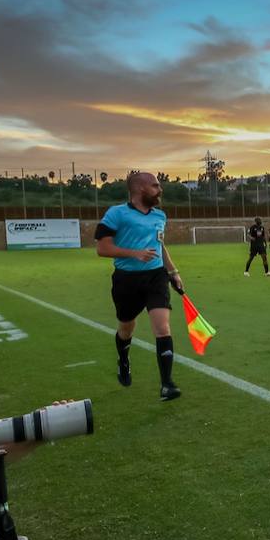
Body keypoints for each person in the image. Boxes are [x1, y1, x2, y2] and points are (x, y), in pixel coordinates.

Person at [94, 171, 184, 401]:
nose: (160, 190)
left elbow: (159, 246)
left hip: (156, 276)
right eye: (155, 185)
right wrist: (135, 253)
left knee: (162, 327)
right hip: (126, 280)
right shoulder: (116, 214)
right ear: (140, 188)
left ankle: (167, 384)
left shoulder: (159, 216)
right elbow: (102, 248)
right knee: (126, 329)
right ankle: (123, 359)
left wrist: (173, 272)